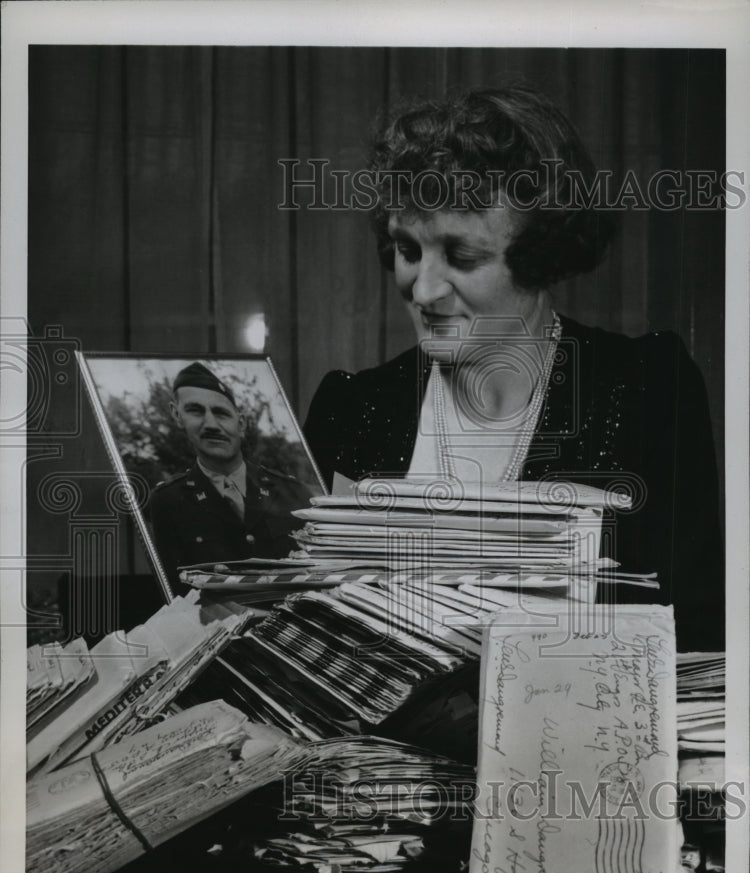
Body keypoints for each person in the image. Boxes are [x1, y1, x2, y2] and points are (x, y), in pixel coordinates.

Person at [303, 85, 724, 650]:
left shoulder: (649, 386)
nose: (422, 290)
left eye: (463, 256)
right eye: (407, 250)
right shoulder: (350, 407)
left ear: (541, 255)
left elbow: (694, 630)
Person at [149, 362, 314, 593]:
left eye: (221, 413)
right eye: (195, 411)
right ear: (177, 416)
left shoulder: (292, 492)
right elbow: (177, 592)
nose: (211, 424)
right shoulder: (168, 501)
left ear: (242, 424)